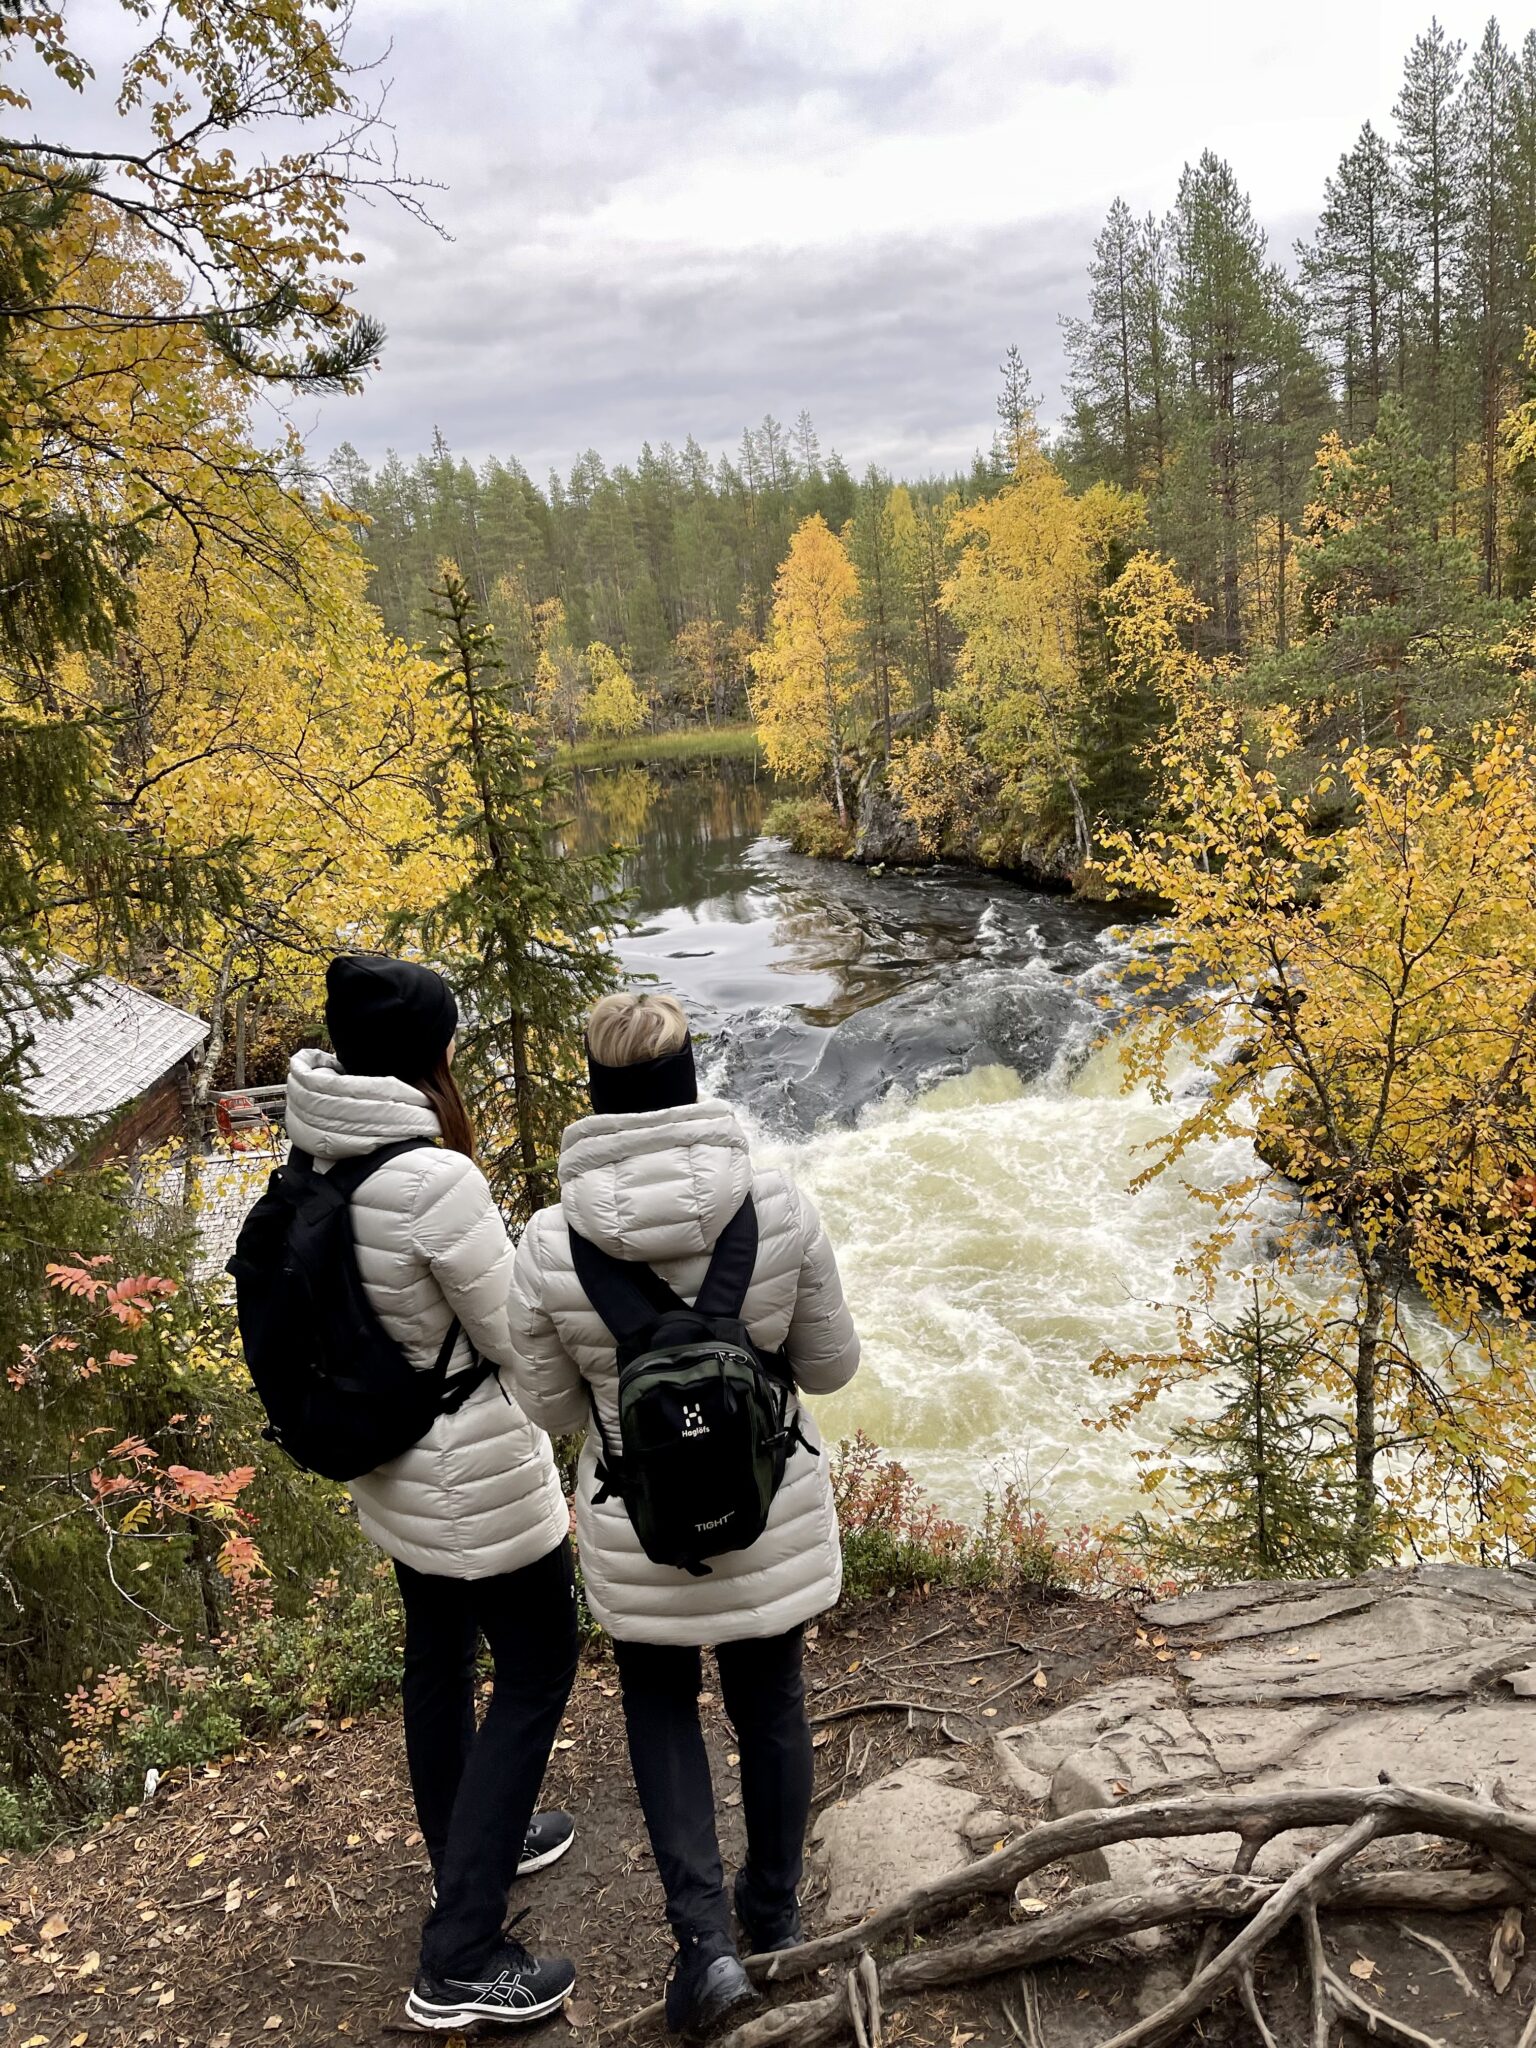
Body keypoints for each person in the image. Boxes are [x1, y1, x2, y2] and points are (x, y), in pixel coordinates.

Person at [507, 990, 860, 2041]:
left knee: (661, 1704)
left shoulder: (548, 1241)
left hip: (637, 1523)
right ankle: (776, 1913)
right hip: (769, 1514)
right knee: (774, 1700)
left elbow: (550, 1405)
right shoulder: (778, 1203)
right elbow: (834, 1366)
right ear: (691, 1077)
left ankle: (703, 1948)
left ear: (597, 1090)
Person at [284, 954, 580, 2031]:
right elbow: (513, 1337)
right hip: (475, 1471)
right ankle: (460, 1951)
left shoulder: (318, 1149)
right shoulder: (433, 1177)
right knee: (543, 1657)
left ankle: (464, 1848)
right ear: (429, 1052)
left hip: (396, 1466)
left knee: (441, 1656)